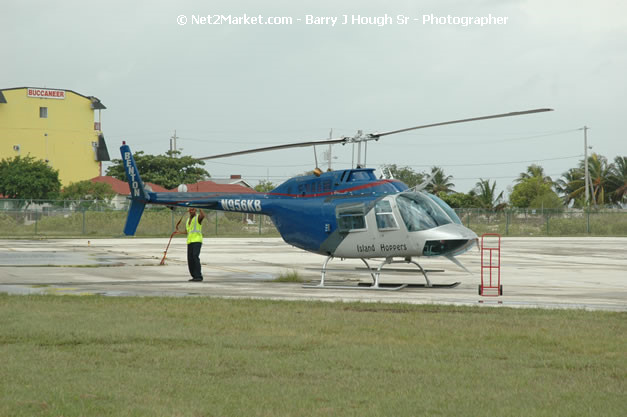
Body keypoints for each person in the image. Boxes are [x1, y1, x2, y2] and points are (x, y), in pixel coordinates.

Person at [185, 207, 205, 282]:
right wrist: (178, 232)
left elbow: (203, 216)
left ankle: (198, 276)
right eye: (190, 210)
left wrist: (200, 207)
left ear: (195, 210)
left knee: (195, 256)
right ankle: (194, 275)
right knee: (190, 259)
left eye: (193, 209)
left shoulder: (198, 218)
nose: (191, 211)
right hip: (190, 242)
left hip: (197, 241)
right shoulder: (187, 220)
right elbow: (188, 231)